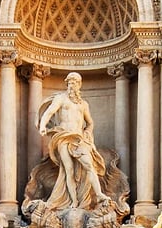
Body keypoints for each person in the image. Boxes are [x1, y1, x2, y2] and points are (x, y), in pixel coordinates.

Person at [37, 72, 110, 210]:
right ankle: (74, 201)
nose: (72, 85)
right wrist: (42, 126)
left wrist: (88, 132)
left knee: (89, 165)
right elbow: (49, 112)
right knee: (68, 169)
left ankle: (99, 194)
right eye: (70, 82)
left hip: (79, 139)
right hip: (63, 137)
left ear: (79, 85)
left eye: (75, 82)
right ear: (67, 84)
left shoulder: (83, 104)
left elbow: (90, 122)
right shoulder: (61, 99)